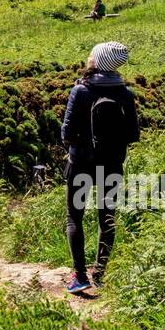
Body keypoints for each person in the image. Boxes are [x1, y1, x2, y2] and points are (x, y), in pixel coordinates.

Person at [58, 41, 140, 293]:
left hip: (81, 164)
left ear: (98, 61)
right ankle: (100, 273)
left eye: (92, 54)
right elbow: (134, 135)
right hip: (111, 164)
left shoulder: (80, 91)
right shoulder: (125, 93)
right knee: (107, 219)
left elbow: (66, 133)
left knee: (75, 217)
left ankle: (79, 276)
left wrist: (79, 147)